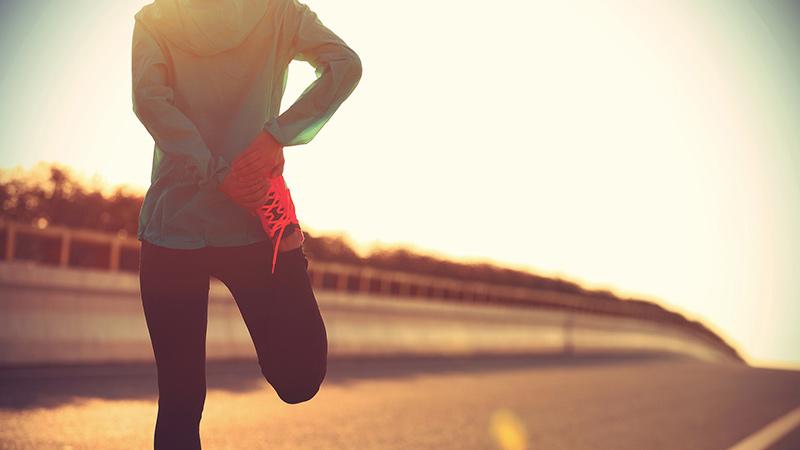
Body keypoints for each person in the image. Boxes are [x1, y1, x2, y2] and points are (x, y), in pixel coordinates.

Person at [130, 0, 362, 448]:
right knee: (299, 379)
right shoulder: (281, 13)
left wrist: (213, 171)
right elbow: (344, 65)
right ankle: (291, 248)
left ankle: (289, 247)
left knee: (179, 402)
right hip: (254, 219)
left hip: (173, 222)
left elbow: (150, 102)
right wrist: (280, 133)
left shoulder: (157, 18)